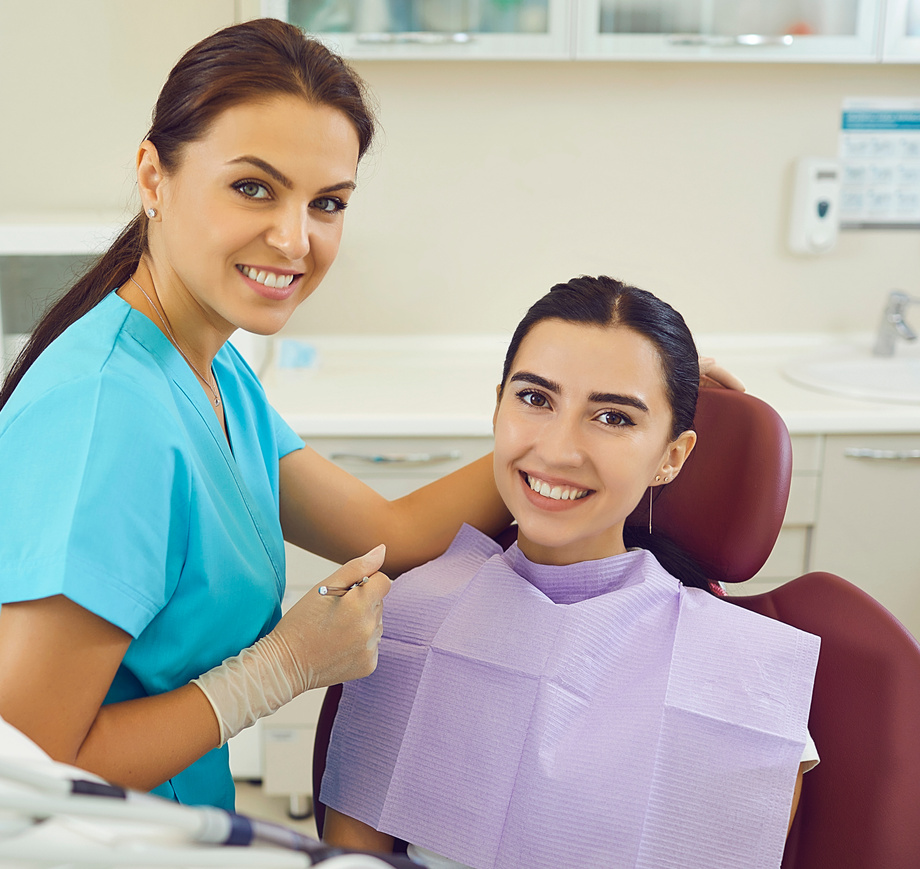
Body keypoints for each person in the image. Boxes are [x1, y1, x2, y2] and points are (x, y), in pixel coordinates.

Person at [0, 18, 511, 812]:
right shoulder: (105, 418)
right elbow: (23, 764)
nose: (294, 238)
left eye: (327, 203)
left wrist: (570, 424)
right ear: (153, 178)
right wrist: (277, 667)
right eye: (253, 187)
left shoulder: (208, 371)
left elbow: (396, 530)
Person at [320, 276, 820, 869]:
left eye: (613, 417)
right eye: (535, 399)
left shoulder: (739, 679)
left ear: (673, 455)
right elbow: (351, 859)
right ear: (498, 405)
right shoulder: (409, 616)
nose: (558, 450)